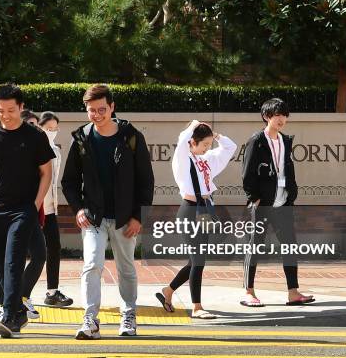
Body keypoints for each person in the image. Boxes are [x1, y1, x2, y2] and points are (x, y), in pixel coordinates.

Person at [62, 84, 154, 340]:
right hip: (94, 218)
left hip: (125, 218)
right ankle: (90, 320)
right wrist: (78, 209)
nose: (96, 114)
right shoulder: (81, 139)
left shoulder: (131, 137)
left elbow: (146, 181)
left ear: (112, 107)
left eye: (102, 109)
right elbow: (69, 181)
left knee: (126, 268)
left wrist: (138, 216)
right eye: (91, 110)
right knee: (92, 264)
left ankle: (128, 315)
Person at [0, 83, 55, 338]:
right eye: (0, 110)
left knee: (14, 260)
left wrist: (36, 204)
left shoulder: (35, 136)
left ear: (20, 107)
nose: (5, 115)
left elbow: (46, 172)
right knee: (0, 263)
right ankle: (18, 311)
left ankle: (9, 317)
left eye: (10, 110)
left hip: (22, 209)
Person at [155, 120, 237, 319]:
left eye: (209, 145)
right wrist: (194, 124)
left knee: (196, 260)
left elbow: (230, 147)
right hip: (190, 211)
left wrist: (214, 135)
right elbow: (183, 139)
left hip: (206, 211)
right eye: (205, 144)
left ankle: (168, 290)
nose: (208, 148)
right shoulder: (183, 159)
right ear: (193, 142)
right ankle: (197, 306)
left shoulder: (206, 159)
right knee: (198, 259)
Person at [241, 98, 315, 307]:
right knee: (255, 246)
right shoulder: (257, 141)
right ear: (267, 117)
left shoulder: (285, 140)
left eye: (284, 115)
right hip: (262, 203)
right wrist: (253, 198)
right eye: (277, 115)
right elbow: (247, 173)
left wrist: (291, 195)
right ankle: (249, 292)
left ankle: (293, 292)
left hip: (283, 202)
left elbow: (287, 171)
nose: (281, 119)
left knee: (290, 246)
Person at [39, 112, 74, 307]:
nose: (52, 132)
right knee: (33, 253)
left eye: (55, 129)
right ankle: (18, 294)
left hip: (50, 208)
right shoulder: (34, 149)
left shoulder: (56, 150)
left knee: (54, 248)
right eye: (48, 128)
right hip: (35, 208)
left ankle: (52, 292)